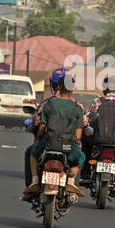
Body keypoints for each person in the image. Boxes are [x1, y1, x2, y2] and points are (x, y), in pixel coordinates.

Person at [23, 68, 86, 200]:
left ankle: (34, 182)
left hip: (49, 144)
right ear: (72, 89)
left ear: (58, 86)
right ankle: (70, 182)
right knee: (81, 157)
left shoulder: (48, 103)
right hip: (69, 147)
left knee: (32, 153)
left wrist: (40, 136)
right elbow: (79, 135)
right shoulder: (78, 107)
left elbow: (42, 126)